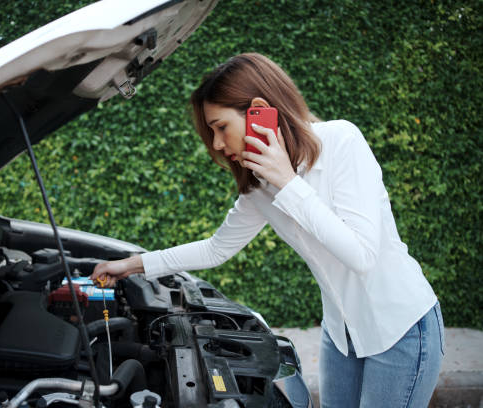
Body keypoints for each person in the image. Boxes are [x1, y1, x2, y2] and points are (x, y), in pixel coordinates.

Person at [90, 53, 444, 407]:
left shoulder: (341, 141)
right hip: (342, 334)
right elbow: (217, 249)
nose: (215, 144)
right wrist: (132, 264)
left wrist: (288, 183)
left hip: (402, 330)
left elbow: (362, 255)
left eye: (221, 127)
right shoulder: (261, 187)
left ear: (259, 110)